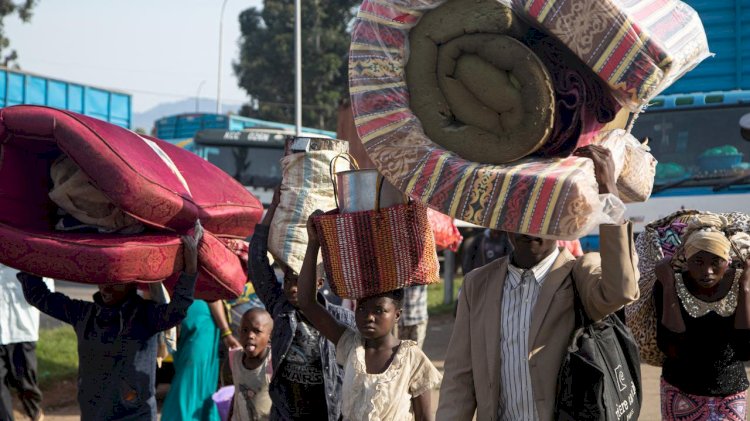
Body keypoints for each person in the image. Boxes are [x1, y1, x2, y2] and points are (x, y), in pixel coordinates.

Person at [436, 145, 640, 421]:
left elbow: (622, 290)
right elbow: (459, 378)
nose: (530, 227)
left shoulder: (578, 274)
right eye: (520, 216)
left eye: (542, 216)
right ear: (503, 223)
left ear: (560, 222)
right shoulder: (478, 285)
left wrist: (609, 194)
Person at [16, 222, 203, 421]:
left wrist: (190, 271)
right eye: (102, 279)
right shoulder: (84, 314)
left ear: (131, 281)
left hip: (135, 416)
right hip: (94, 414)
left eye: (114, 282)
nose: (105, 287)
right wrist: (28, 254)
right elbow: (39, 296)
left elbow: (177, 311)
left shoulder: (145, 316)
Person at [297, 212, 443, 421]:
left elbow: (425, 418)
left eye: (379, 310)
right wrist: (313, 244)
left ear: (397, 315)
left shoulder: (412, 358)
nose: (368, 317)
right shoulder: (350, 345)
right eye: (362, 309)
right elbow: (308, 303)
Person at [249, 188, 354, 421]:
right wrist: (274, 208)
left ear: (319, 282)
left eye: (300, 281)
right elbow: (257, 263)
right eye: (288, 280)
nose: (293, 288)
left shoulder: (340, 320)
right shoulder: (281, 309)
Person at [655, 217, 750, 420]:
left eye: (716, 262)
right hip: (680, 390)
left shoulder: (741, 283)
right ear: (687, 261)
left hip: (730, 394)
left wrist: (745, 289)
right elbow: (671, 347)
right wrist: (669, 288)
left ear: (728, 261)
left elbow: (746, 349)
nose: (707, 271)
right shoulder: (670, 283)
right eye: (698, 262)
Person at [161, 298, 240, 421]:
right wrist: (226, 333)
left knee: (191, 381)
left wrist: (226, 333)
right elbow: (212, 296)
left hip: (192, 321)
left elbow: (212, 296)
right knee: (192, 381)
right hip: (193, 322)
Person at [0, 265, 51, 421]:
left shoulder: (28, 259)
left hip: (22, 331)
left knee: (26, 383)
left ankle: (35, 414)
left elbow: (46, 292)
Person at [228, 308, 274, 421]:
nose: (250, 335)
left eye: (257, 331)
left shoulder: (272, 361)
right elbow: (237, 392)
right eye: (245, 330)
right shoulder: (235, 358)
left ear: (270, 336)